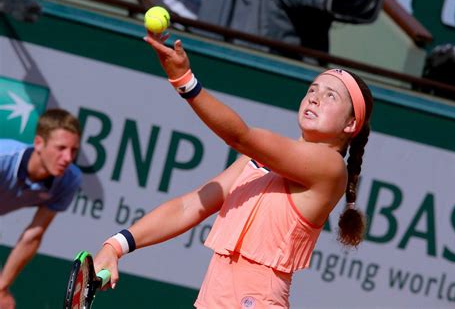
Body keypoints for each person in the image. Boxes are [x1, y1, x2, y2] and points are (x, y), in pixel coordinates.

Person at [94, 33, 373, 308]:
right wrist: (116, 246)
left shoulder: (331, 166)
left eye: (330, 96)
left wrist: (184, 80)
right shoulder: (254, 162)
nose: (314, 98)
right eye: (312, 90)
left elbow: (240, 136)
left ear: (350, 124)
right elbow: (189, 206)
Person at [0, 108, 82, 309]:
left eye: (73, 151)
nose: (67, 158)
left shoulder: (68, 180)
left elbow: (33, 235)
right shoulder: (2, 158)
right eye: (61, 148)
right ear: (38, 143)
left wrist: (2, 287)